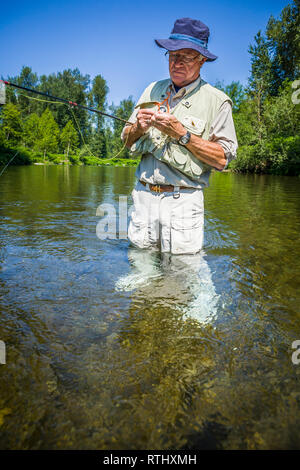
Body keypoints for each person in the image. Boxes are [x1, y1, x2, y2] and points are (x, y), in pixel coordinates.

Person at [121, 17, 238, 256]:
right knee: (140, 266)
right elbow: (126, 140)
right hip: (143, 196)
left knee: (184, 275)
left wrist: (183, 135)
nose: (177, 63)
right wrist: (137, 129)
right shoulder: (151, 89)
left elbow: (222, 159)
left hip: (183, 201)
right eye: (172, 55)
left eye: (186, 57)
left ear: (202, 60)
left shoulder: (218, 101)